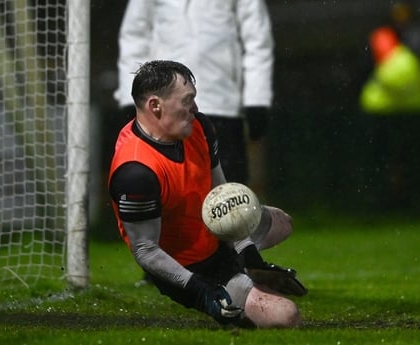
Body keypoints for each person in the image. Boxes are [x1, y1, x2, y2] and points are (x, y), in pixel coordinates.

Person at [108, 60, 306, 328]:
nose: (196, 109)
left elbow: (221, 192)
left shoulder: (198, 126)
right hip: (189, 266)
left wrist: (246, 251)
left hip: (214, 232)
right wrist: (200, 289)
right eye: (187, 101)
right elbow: (146, 250)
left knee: (283, 222)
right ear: (155, 105)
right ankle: (238, 284)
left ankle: (245, 269)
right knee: (285, 316)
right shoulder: (136, 172)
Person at [113, 0, 274, 188]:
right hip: (167, 112)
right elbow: (135, 37)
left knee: (230, 199)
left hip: (222, 104)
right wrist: (131, 97)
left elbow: (257, 39)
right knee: (170, 191)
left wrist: (257, 98)